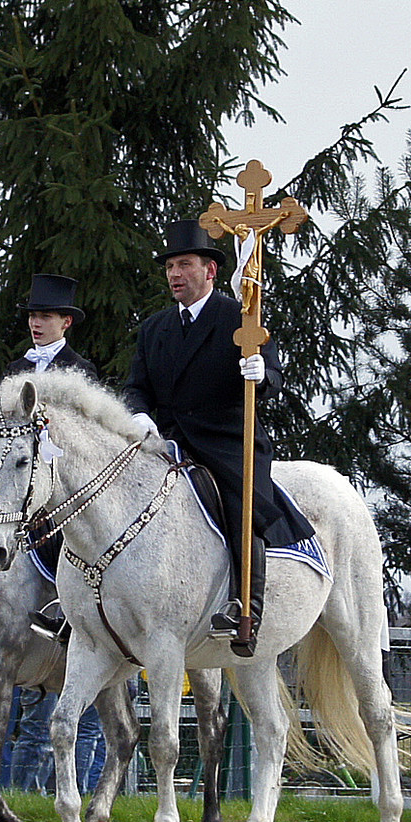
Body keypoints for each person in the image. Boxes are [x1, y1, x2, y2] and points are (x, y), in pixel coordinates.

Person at [121, 220, 308, 657]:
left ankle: (248, 608)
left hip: (226, 439)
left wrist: (261, 378)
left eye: (184, 264)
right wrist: (140, 413)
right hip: (165, 439)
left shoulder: (239, 318)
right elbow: (136, 385)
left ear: (210, 271)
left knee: (242, 506)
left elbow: (273, 374)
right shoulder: (154, 328)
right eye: (170, 266)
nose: (174, 274)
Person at [4, 274, 102, 380]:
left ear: (67, 322)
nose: (35, 323)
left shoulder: (81, 369)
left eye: (45, 317)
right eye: (32, 316)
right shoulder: (14, 368)